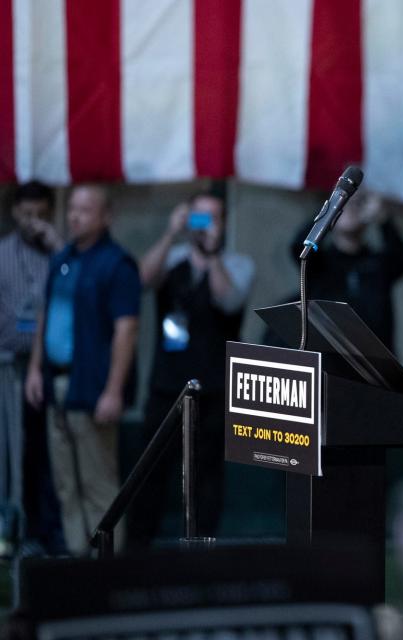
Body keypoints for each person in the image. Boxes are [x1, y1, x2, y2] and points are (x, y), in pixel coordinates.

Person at [130, 190, 254, 547]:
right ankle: (136, 552)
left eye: (211, 218)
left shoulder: (237, 264)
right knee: (150, 472)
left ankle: (202, 553)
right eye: (197, 218)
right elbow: (141, 281)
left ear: (225, 223)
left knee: (206, 477)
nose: (204, 226)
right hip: (167, 385)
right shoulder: (172, 259)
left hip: (214, 388)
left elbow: (228, 301)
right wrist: (171, 233)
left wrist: (213, 253)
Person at [25, 184, 140, 555]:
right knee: (65, 485)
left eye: (85, 210)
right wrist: (33, 369)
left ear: (106, 216)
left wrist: (113, 391)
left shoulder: (117, 264)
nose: (75, 216)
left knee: (98, 484)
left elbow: (127, 331)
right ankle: (78, 563)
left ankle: (105, 571)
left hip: (91, 387)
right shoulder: (63, 259)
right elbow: (46, 314)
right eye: (72, 209)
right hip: (55, 381)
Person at [0, 181, 65, 555]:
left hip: (51, 369)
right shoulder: (3, 253)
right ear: (14, 213)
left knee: (48, 455)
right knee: (13, 453)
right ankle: (13, 531)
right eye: (27, 215)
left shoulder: (61, 254)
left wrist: (57, 246)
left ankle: (49, 533)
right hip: (10, 369)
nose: (33, 222)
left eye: (41, 215)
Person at [290, 190, 403, 352]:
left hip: (376, 362)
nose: (350, 208)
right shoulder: (319, 263)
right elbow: (299, 246)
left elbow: (402, 258)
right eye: (344, 204)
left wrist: (383, 219)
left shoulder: (378, 263)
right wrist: (329, 211)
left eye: (357, 203)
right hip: (329, 359)